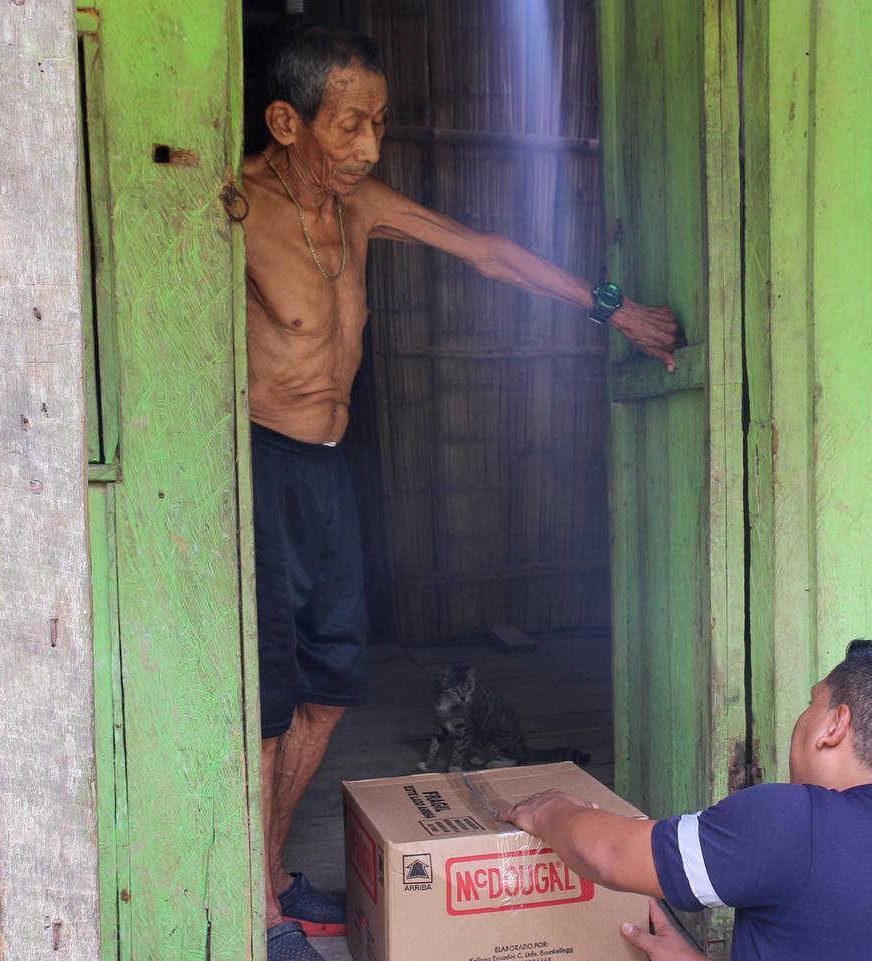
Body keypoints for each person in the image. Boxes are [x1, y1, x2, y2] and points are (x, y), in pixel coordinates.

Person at [239, 22, 683, 961]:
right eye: (348, 124)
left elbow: (488, 251)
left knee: (332, 686)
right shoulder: (235, 204)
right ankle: (259, 906)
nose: (367, 146)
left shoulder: (358, 208)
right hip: (258, 464)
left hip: (326, 469)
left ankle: (270, 872)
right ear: (287, 120)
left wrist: (614, 310)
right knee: (271, 702)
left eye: (379, 123)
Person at [499, 640, 872, 961]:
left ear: (834, 725)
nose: (803, 718)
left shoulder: (798, 820)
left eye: (812, 702)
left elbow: (606, 855)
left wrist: (547, 809)